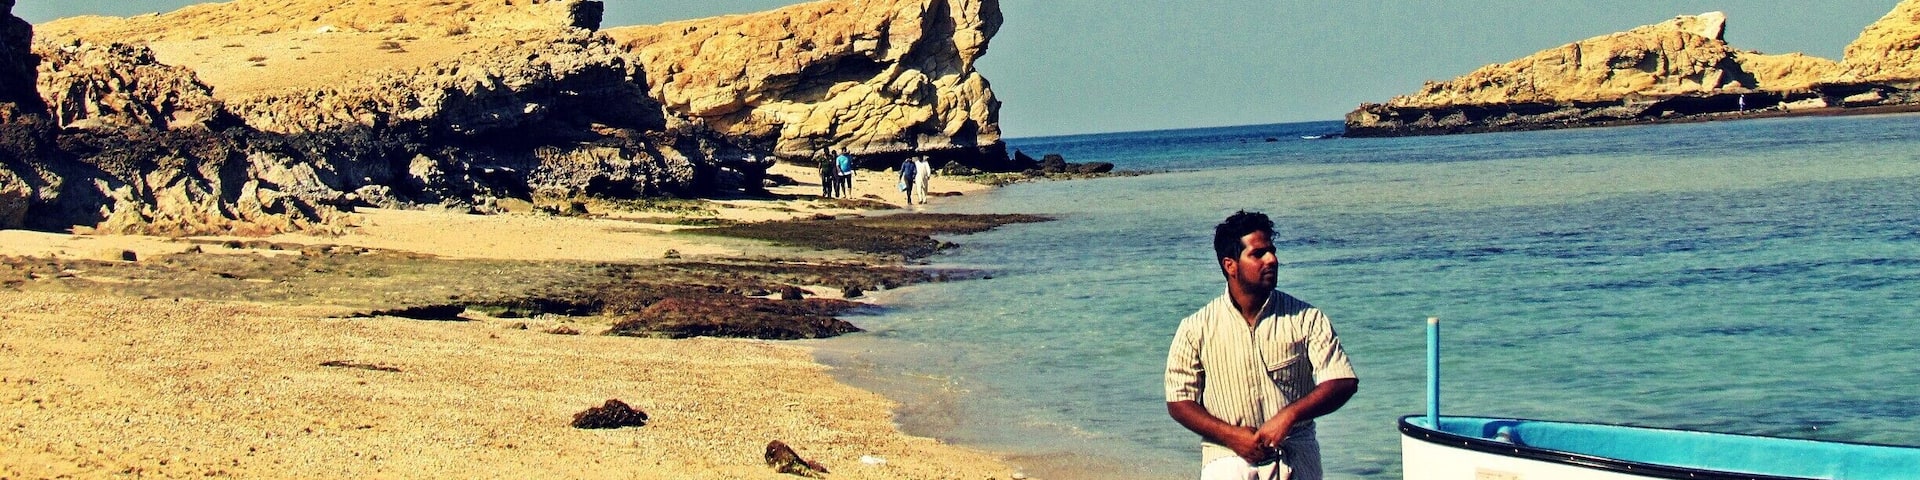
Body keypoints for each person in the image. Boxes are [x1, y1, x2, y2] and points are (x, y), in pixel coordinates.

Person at [1165, 210, 1358, 480]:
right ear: (1230, 265)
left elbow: (1343, 381)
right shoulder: (1195, 328)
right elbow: (1179, 401)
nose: (1272, 260)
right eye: (1258, 254)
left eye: (1272, 251)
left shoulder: (1306, 319)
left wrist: (1289, 416)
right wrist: (1231, 436)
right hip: (1227, 457)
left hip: (1295, 455)